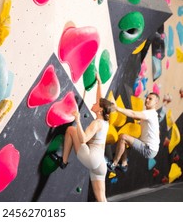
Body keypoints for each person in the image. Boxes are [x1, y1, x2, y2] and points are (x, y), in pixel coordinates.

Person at [51, 74, 112, 202]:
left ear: (100, 110)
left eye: (96, 104)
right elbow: (100, 99)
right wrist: (99, 83)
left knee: (71, 130)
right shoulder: (105, 122)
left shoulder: (96, 123)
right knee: (102, 199)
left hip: (92, 158)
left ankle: (64, 161)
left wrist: (78, 120)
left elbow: (83, 139)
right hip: (101, 164)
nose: (94, 103)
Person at [107, 92, 160, 173]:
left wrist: (117, 108)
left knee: (123, 137)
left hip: (149, 149)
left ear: (156, 103)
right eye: (147, 98)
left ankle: (114, 164)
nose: (147, 100)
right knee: (125, 137)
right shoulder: (152, 114)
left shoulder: (150, 113)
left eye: (150, 99)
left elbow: (133, 114)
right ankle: (124, 164)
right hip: (151, 147)